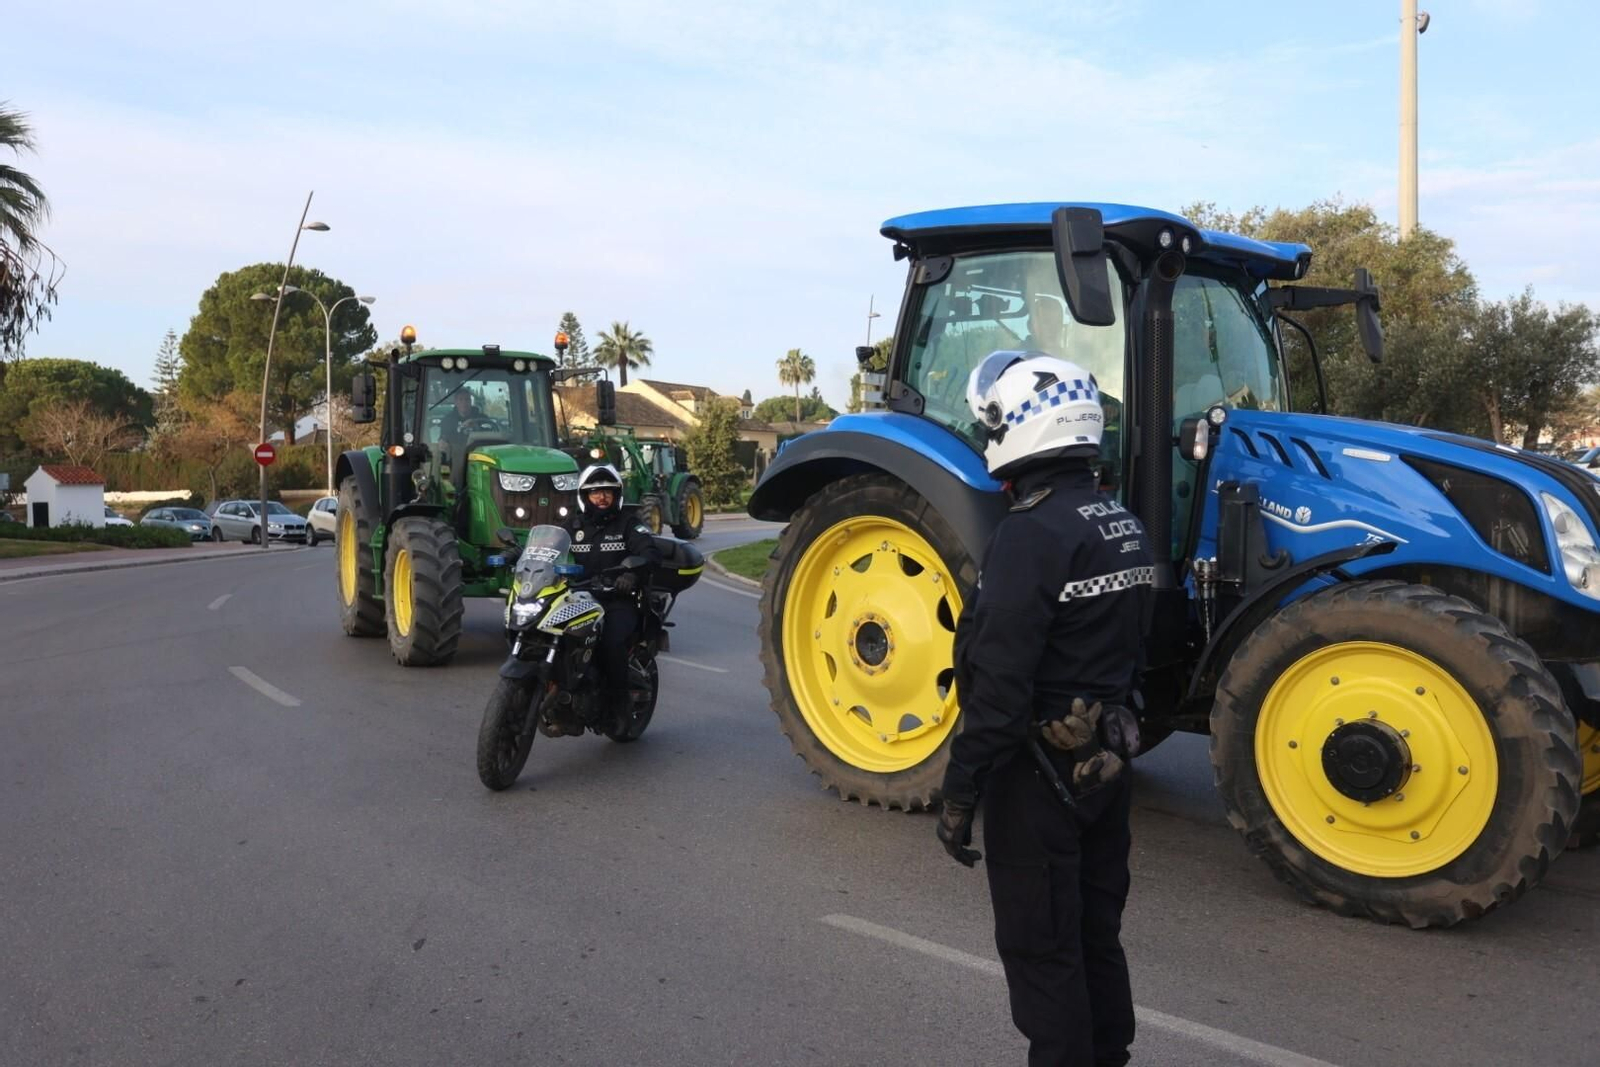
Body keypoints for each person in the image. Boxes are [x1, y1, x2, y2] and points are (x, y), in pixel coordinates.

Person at [936, 350, 1154, 1067]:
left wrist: (960, 790)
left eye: (992, 418)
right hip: (1104, 764)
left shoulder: (1030, 533)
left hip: (1037, 776)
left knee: (1041, 947)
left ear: (1025, 424)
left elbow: (999, 690)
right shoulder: (1118, 519)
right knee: (1095, 932)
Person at [565, 464, 660, 728]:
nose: (602, 497)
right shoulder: (572, 525)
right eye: (595, 492)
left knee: (610, 642)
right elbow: (549, 549)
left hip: (617, 599)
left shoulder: (628, 523)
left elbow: (650, 553)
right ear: (584, 496)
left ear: (616, 494)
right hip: (579, 597)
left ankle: (618, 703)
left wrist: (631, 575)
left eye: (607, 491)